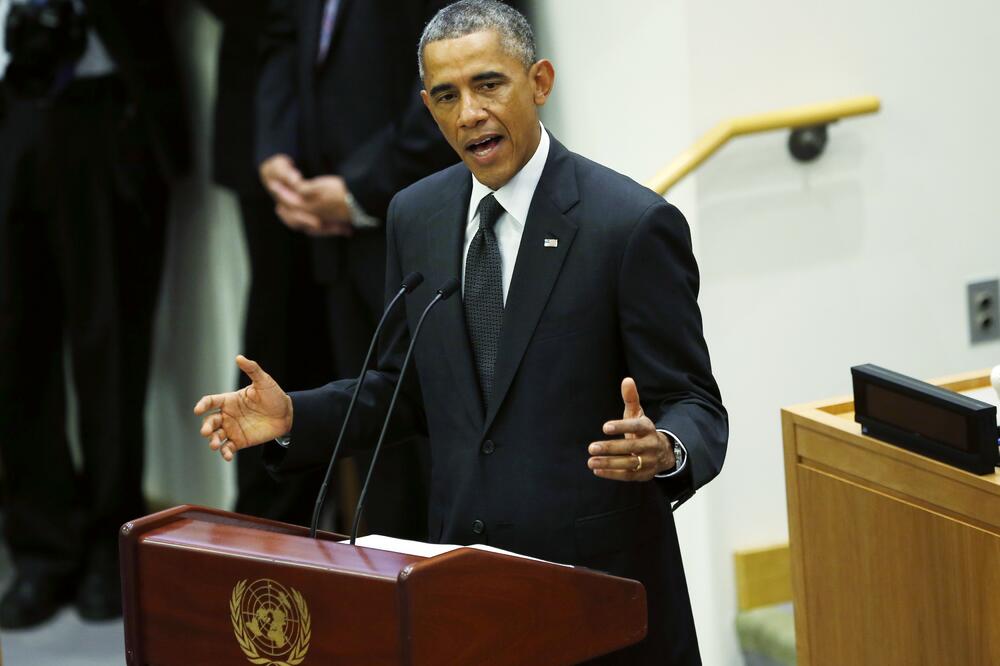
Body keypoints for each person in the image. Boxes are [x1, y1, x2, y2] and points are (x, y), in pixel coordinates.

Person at [195, 1, 727, 663]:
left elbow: (697, 405)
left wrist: (666, 448)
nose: (469, 112)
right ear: (427, 106)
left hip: (599, 601)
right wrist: (295, 415)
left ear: (539, 82)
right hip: (464, 596)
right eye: (446, 95)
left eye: (489, 85)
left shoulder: (629, 225)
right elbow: (402, 388)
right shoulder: (415, 216)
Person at [236, 0, 458, 536]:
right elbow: (284, 34)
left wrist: (361, 189)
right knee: (376, 451)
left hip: (420, 215)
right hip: (331, 231)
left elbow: (464, 69)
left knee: (434, 459)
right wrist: (277, 150)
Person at [0, 0, 188, 627]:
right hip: (7, 103)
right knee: (13, 346)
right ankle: (39, 550)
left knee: (109, 344)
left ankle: (112, 545)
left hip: (103, 105)